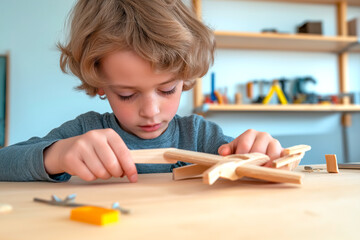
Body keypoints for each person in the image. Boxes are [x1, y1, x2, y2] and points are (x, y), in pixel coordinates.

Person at [0, 0, 283, 183]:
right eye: (126, 94)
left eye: (167, 89)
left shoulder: (199, 137)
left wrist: (258, 152)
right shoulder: (85, 131)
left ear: (184, 79)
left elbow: (250, 165)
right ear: (100, 82)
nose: (151, 111)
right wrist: (57, 155)